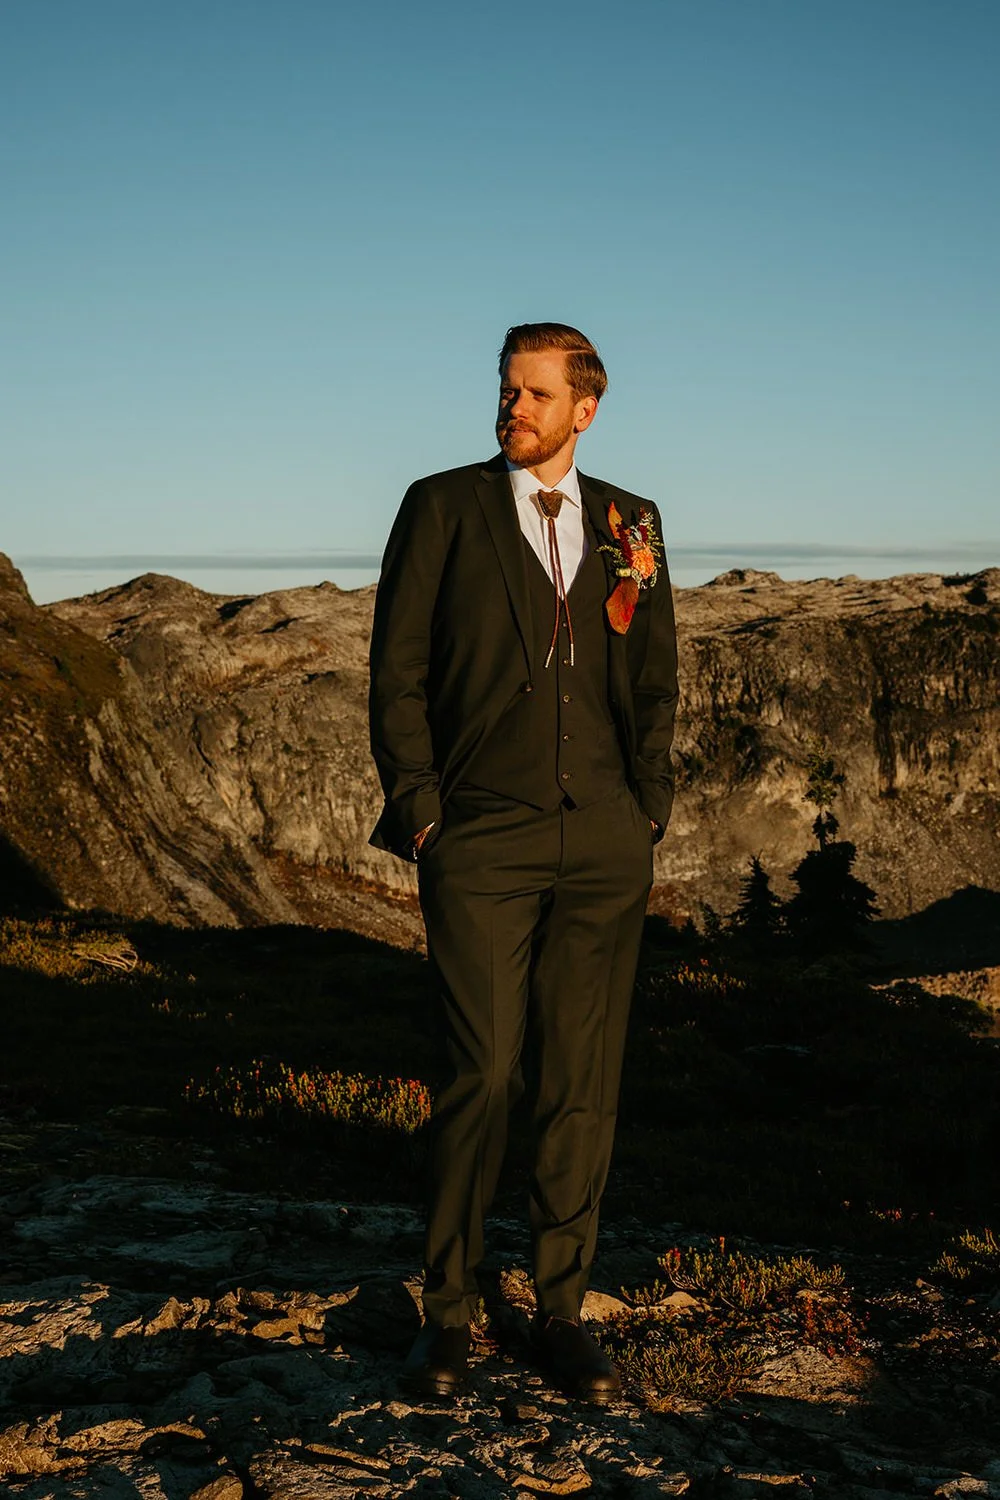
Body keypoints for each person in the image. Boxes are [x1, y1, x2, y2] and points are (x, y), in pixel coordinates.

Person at [368, 322, 678, 1402]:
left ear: (583, 408)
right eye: (506, 391)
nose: (513, 410)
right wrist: (421, 815)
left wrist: (647, 812)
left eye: (535, 395)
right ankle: (446, 1313)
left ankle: (559, 1311)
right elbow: (396, 669)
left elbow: (652, 680)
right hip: (480, 838)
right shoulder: (441, 505)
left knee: (579, 1084)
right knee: (482, 1073)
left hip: (602, 838)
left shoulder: (630, 521)